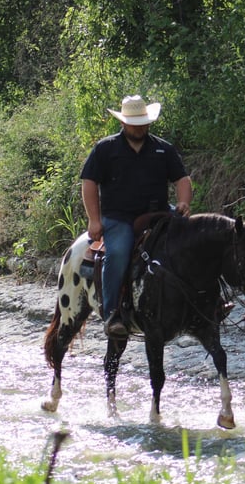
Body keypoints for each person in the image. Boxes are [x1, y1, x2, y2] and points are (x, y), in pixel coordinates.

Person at [80, 95, 193, 338]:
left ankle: (205, 305)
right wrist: (94, 219)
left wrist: (183, 202)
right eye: (135, 123)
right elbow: (89, 182)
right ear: (123, 123)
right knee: (118, 252)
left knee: (192, 243)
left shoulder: (163, 149)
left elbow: (182, 179)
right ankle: (113, 314)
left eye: (143, 122)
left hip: (159, 213)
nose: (140, 127)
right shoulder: (106, 149)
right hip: (119, 218)